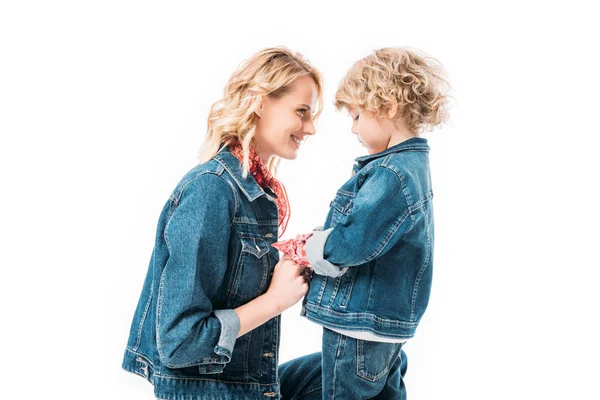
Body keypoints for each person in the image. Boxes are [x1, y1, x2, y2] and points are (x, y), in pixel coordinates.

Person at [121, 46, 323, 399]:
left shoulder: (256, 194)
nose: (311, 128)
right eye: (302, 112)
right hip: (212, 393)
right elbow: (179, 342)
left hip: (248, 387)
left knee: (372, 363)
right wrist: (276, 300)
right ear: (261, 103)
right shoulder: (212, 190)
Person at [278, 47, 450, 399]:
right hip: (385, 329)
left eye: (356, 116)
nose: (353, 128)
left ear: (388, 107)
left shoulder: (391, 173)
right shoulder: (411, 168)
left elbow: (353, 242)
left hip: (359, 328)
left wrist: (309, 247)